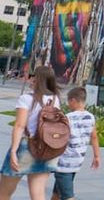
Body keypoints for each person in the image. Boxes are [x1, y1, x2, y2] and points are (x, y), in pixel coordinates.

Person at [0, 66, 61, 200]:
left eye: (32, 76)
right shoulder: (55, 99)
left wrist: (13, 151)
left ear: (37, 79)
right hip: (47, 148)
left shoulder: (26, 99)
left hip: (26, 147)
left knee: (4, 193)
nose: (30, 79)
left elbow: (20, 125)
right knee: (38, 194)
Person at [51, 87, 100, 200]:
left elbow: (57, 136)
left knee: (68, 196)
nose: (68, 104)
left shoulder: (67, 118)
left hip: (64, 164)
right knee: (57, 194)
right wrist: (97, 156)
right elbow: (94, 137)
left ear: (73, 100)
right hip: (76, 163)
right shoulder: (91, 117)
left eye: (68, 101)